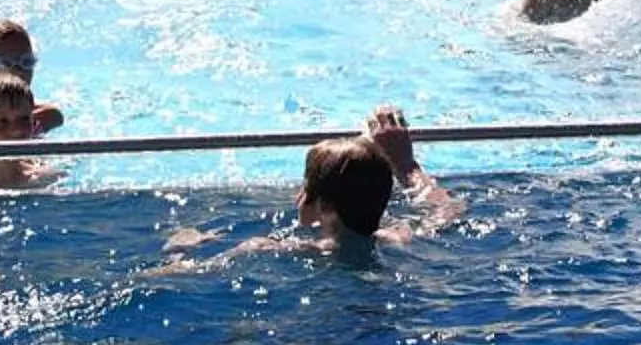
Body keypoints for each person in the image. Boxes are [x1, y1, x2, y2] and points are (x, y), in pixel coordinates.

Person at [162, 107, 460, 265]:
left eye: (305, 187)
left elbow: (182, 275)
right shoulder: (400, 237)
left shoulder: (274, 249)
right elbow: (447, 209)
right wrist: (406, 165)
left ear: (325, 205)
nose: (298, 195)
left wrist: (179, 249)